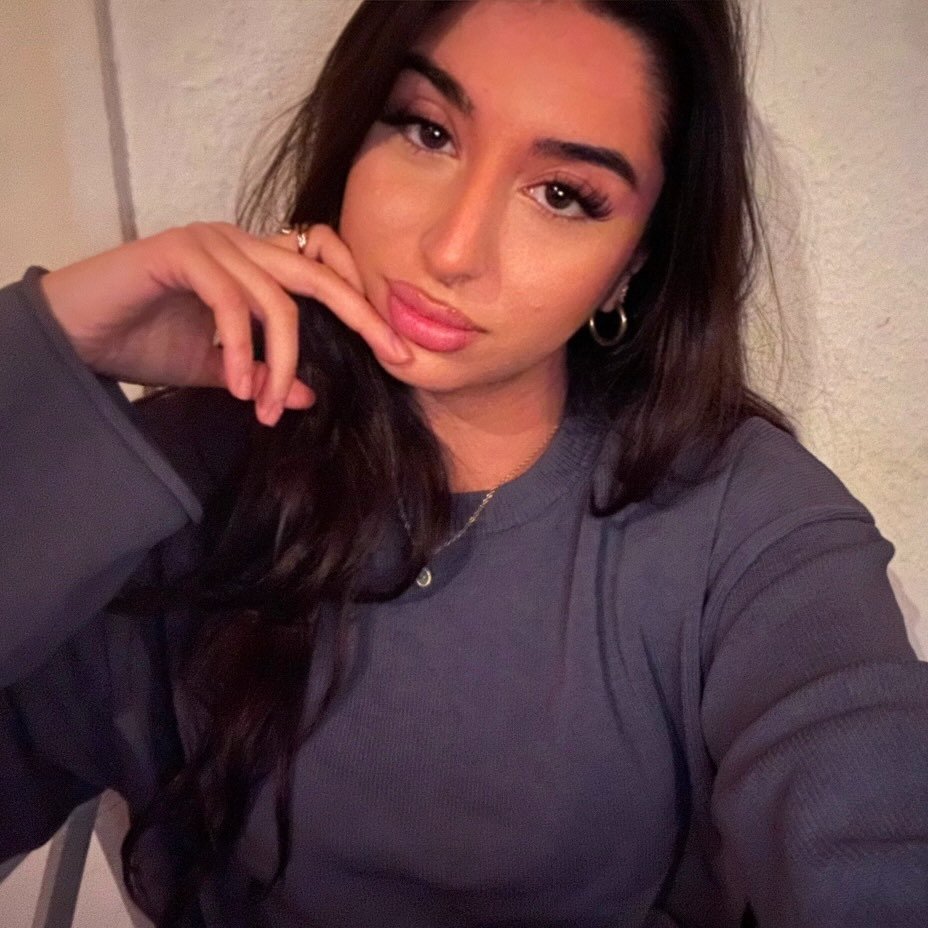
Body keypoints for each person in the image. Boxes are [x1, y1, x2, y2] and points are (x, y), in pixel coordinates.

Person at [1, 1, 926, 926]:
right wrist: (52, 343)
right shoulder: (181, 475)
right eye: (429, 132)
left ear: (632, 264)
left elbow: (873, 827)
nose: (451, 250)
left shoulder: (745, 525)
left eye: (561, 195)